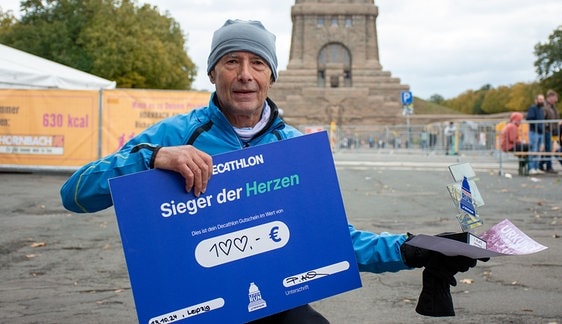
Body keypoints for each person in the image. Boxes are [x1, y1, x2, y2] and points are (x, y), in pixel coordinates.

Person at [60, 19, 479, 322]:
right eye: (231, 62)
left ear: (272, 75)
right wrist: (150, 159)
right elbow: (75, 194)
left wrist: (412, 248)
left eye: (257, 63)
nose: (245, 75)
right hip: (192, 305)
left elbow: (329, 240)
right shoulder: (175, 134)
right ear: (212, 72)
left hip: (273, 301)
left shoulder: (294, 147)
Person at [539, 90, 560, 173]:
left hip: (552, 130)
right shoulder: (545, 107)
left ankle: (541, 164)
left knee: (549, 148)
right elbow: (543, 118)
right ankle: (548, 166)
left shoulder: (553, 106)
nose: (556, 100)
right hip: (547, 130)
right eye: (555, 98)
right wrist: (547, 125)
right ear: (550, 97)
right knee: (548, 148)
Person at [525, 94, 546, 175]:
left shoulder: (541, 110)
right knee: (533, 149)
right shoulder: (533, 108)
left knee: (538, 150)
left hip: (540, 132)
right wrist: (537, 126)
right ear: (536, 100)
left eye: (542, 99)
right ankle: (531, 167)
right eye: (540, 99)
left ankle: (536, 167)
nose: (541, 101)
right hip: (534, 132)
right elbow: (529, 118)